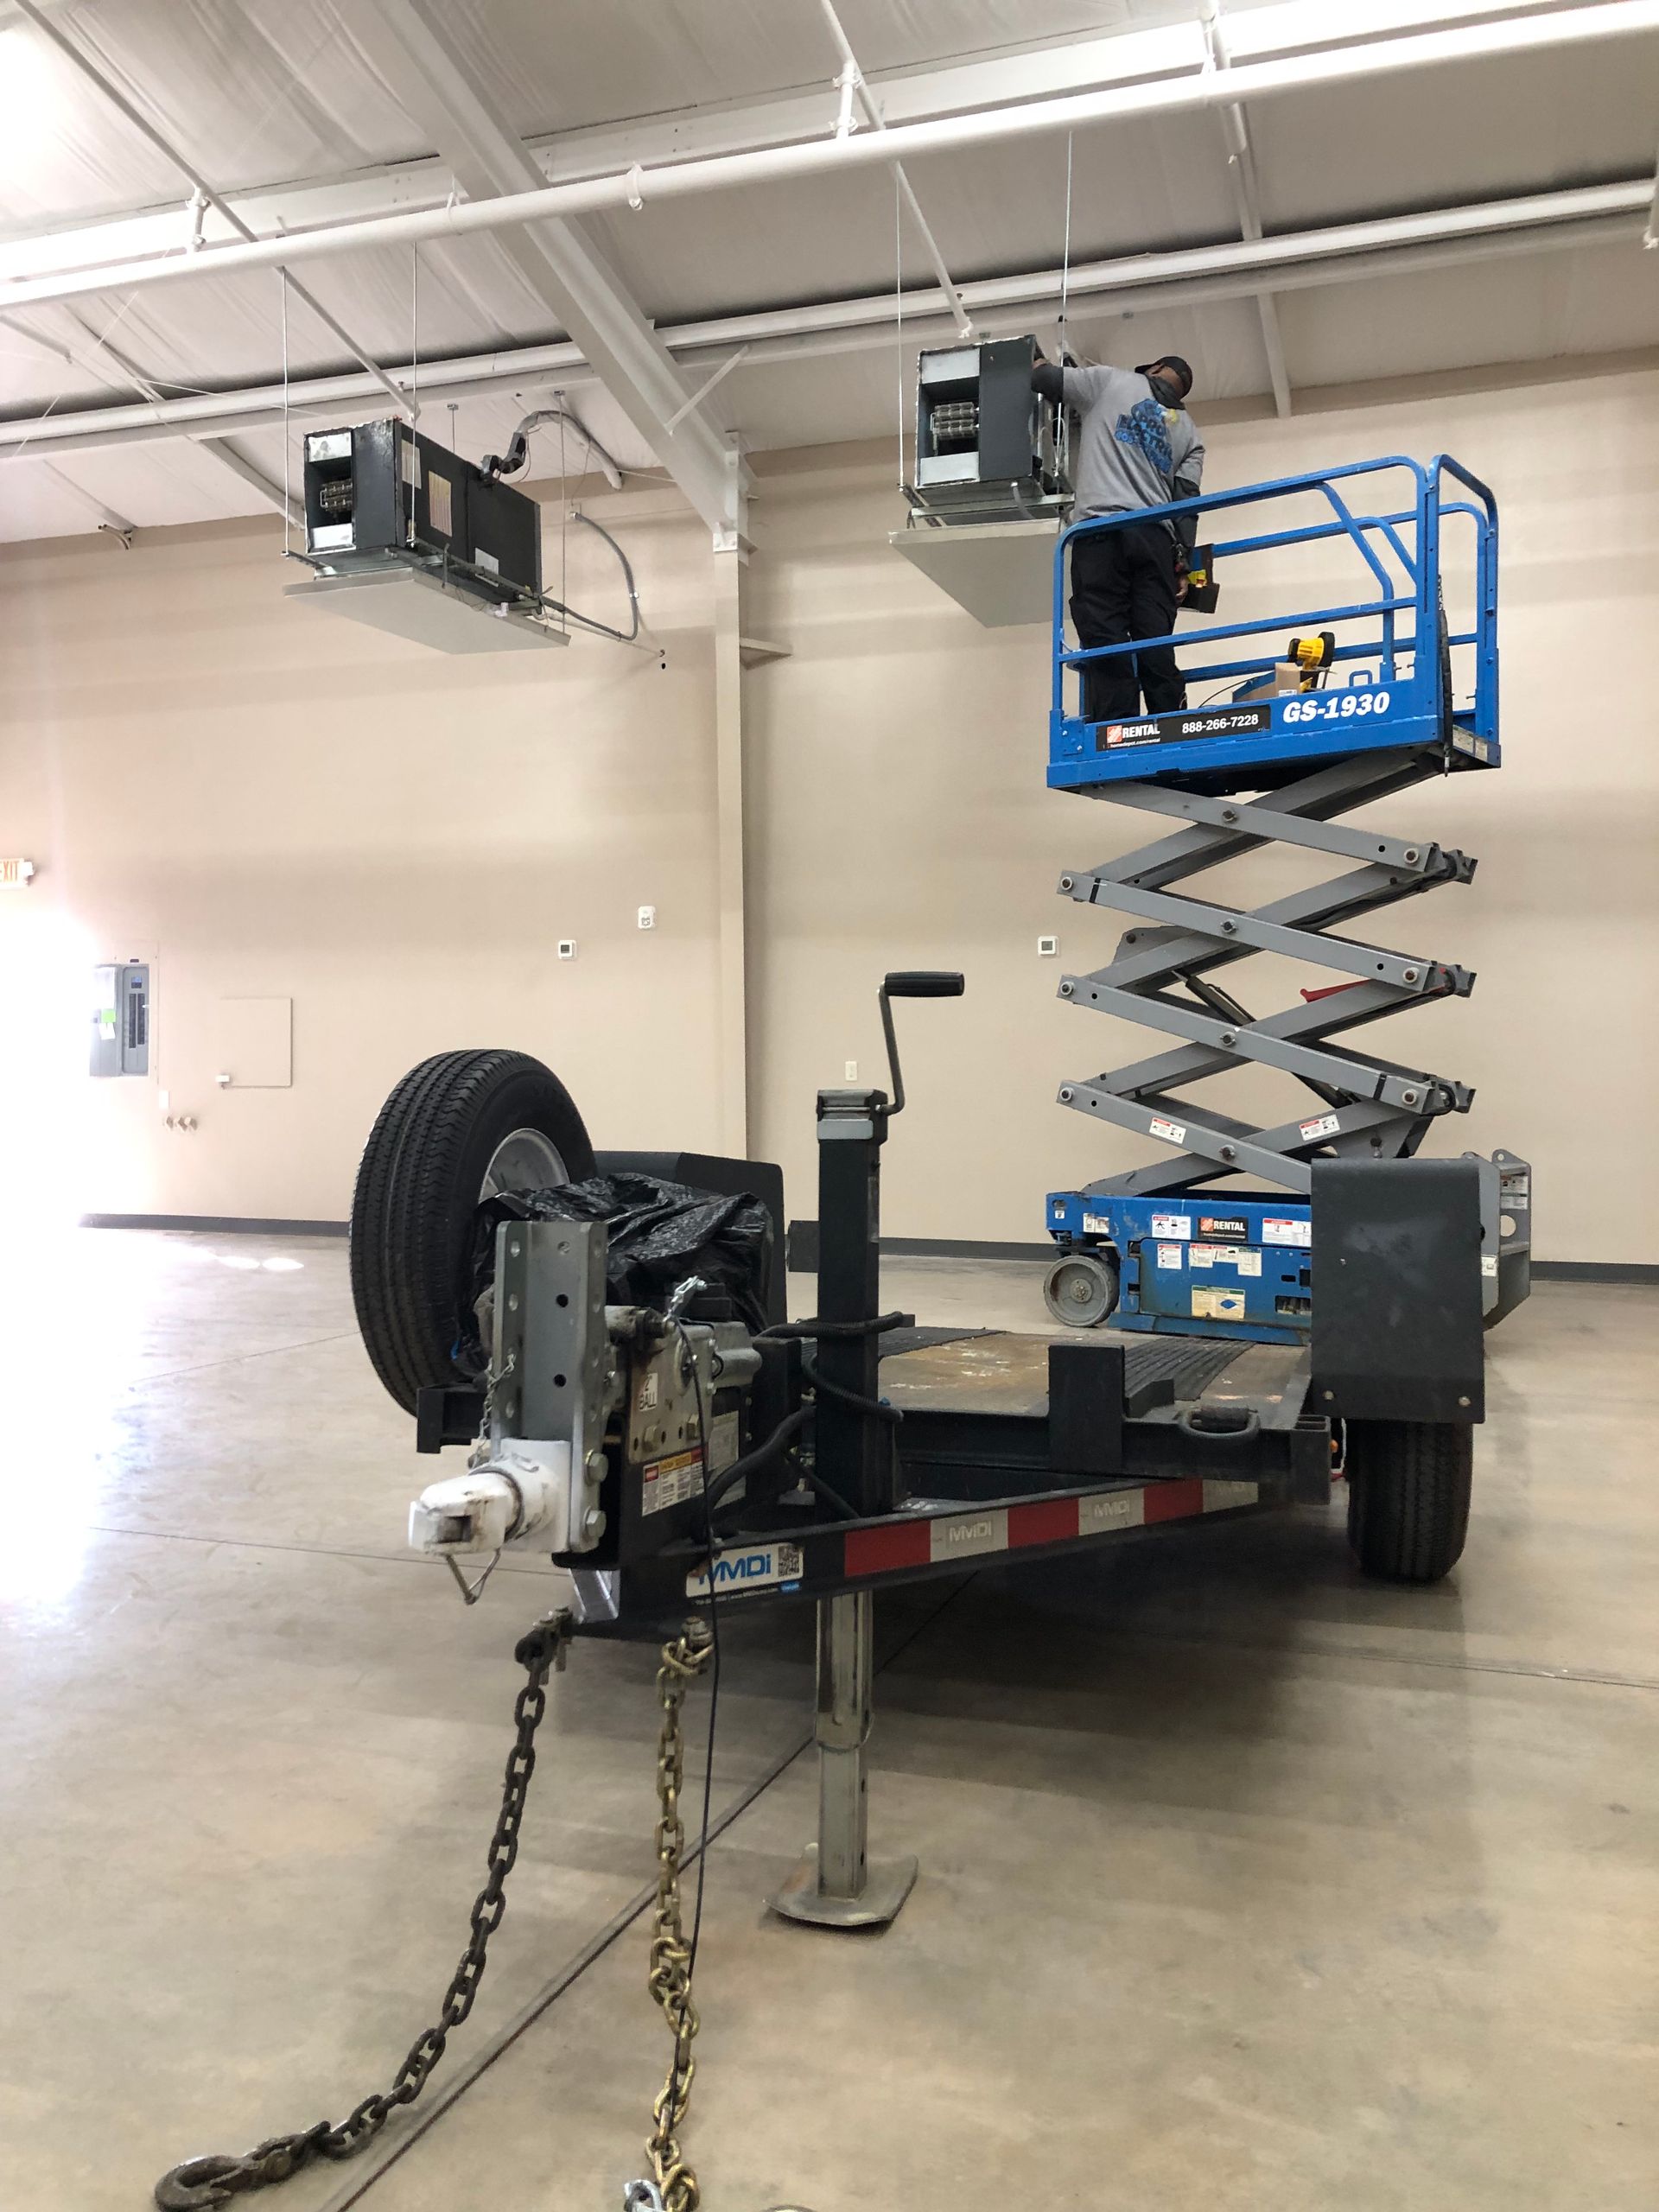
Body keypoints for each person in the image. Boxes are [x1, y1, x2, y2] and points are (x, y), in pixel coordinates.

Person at [1032, 349, 1205, 721]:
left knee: (1104, 631)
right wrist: (1183, 565)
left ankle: (1116, 727)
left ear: (1154, 368)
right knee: (1155, 636)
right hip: (1155, 538)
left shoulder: (1111, 380)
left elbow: (1045, 381)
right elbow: (1187, 503)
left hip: (1102, 532)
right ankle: (1171, 721)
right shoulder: (1190, 433)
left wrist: (1034, 362)